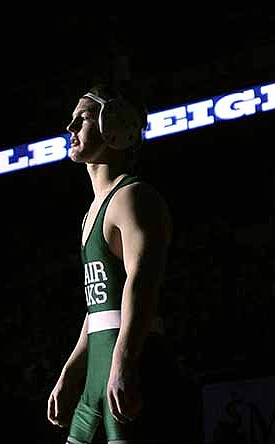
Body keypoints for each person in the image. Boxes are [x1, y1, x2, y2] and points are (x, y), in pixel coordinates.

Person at [47, 82, 194, 443]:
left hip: (135, 362)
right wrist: (72, 369)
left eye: (81, 119)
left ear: (113, 125)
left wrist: (125, 360)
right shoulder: (90, 214)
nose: (70, 129)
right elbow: (100, 302)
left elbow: (142, 283)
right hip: (102, 363)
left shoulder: (133, 197)